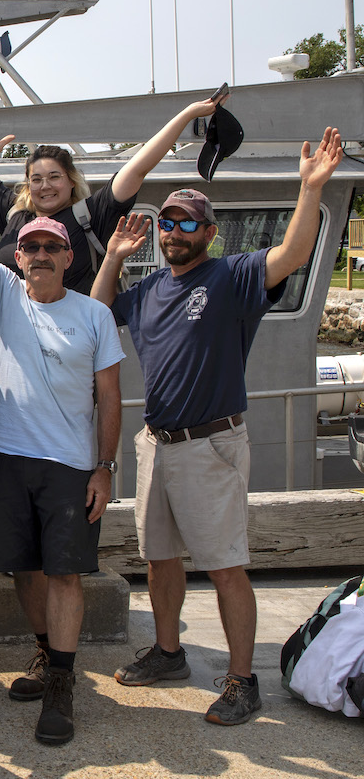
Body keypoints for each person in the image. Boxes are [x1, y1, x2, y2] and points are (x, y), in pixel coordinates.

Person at [91, 128, 344, 726]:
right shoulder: (148, 289)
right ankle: (169, 652)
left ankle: (241, 679)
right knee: (159, 559)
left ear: (209, 233)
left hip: (211, 444)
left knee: (226, 566)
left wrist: (310, 189)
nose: (175, 232)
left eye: (188, 223)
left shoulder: (232, 277)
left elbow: (292, 255)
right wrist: (113, 257)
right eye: (167, 222)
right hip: (156, 444)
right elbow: (98, 311)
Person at [0, 103, 124, 745]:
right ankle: (48, 655)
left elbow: (111, 399)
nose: (41, 254)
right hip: (11, 458)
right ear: (17, 255)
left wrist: (104, 469)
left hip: (72, 466)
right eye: (31, 246)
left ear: (68, 256)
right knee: (23, 569)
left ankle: (63, 686)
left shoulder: (94, 315)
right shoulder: (2, 295)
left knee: (66, 574)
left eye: (52, 247)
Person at [0, 60, 226, 292]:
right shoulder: (14, 213)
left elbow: (138, 167)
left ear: (71, 181)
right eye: (36, 179)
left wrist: (188, 114)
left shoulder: (91, 216)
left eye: (54, 177)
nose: (45, 186)